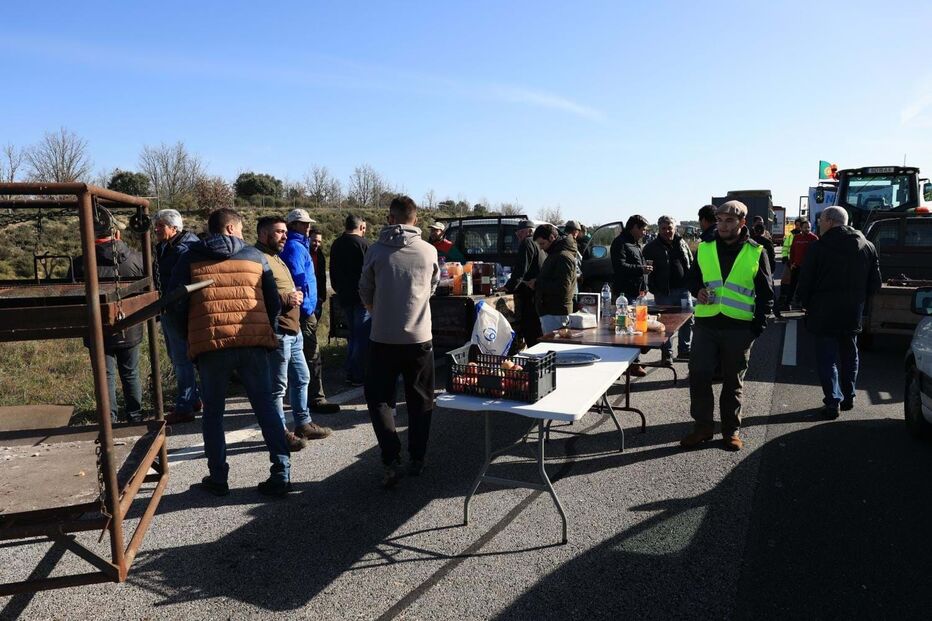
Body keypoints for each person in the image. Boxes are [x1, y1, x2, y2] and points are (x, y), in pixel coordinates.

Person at [167, 208, 292, 497]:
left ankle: (219, 477)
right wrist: (265, 331)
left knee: (213, 414)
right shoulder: (255, 257)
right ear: (232, 229)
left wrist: (190, 335)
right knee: (267, 408)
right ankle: (281, 473)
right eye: (241, 229)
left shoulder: (190, 257)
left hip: (211, 345)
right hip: (253, 343)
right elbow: (273, 301)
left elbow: (175, 303)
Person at [359, 195, 439, 488]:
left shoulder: (376, 251)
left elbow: (364, 288)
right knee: (420, 399)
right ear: (415, 219)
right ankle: (417, 457)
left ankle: (391, 457)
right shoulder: (428, 251)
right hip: (419, 337)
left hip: (382, 336)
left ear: (390, 218)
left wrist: (377, 311)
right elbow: (431, 287)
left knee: (379, 398)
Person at [681, 200, 773, 452]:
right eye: (720, 220)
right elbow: (691, 279)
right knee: (699, 376)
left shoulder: (756, 251)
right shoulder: (705, 248)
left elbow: (766, 295)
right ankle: (702, 427)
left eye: (729, 220)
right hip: (706, 325)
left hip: (738, 329)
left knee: (733, 382)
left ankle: (731, 431)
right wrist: (697, 290)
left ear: (742, 223)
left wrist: (757, 328)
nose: (722, 225)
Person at [795, 206, 882, 419]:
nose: (819, 224)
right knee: (850, 355)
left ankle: (833, 401)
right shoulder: (867, 246)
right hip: (852, 311)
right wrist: (860, 300)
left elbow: (805, 281)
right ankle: (849, 396)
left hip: (823, 313)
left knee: (827, 358)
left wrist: (804, 303)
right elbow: (876, 283)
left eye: (821, 220)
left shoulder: (819, 247)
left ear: (830, 221)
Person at [255, 217, 331, 447]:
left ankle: (303, 424)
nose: (284, 236)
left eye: (285, 232)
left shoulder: (276, 256)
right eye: (279, 232)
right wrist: (288, 298)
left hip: (292, 328)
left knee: (302, 377)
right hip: (277, 330)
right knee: (277, 386)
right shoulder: (257, 258)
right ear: (263, 234)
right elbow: (254, 296)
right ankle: (279, 433)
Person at [72, 215, 144, 423]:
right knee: (131, 373)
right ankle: (135, 415)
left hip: (96, 329)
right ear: (117, 234)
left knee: (105, 376)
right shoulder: (137, 259)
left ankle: (109, 419)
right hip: (129, 325)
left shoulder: (80, 264)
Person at [280, 209, 340, 414]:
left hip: (306, 308)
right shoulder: (295, 247)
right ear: (294, 225)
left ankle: (307, 398)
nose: (307, 227)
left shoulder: (299, 245)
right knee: (311, 355)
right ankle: (315, 398)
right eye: (303, 223)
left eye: (307, 223)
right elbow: (298, 281)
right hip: (304, 311)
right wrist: (307, 308)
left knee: (303, 356)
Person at [153, 209, 202, 424]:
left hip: (179, 309)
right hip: (169, 307)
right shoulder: (166, 246)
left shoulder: (184, 249)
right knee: (177, 356)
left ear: (174, 228)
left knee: (182, 358)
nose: (156, 229)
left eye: (160, 225)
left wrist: (176, 308)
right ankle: (193, 398)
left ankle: (184, 405)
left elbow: (183, 283)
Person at [644, 215, 694, 362]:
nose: (667, 231)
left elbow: (690, 262)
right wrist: (652, 288)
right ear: (658, 230)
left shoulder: (682, 243)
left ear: (675, 228)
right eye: (663, 229)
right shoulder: (651, 248)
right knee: (665, 324)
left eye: (670, 228)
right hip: (663, 292)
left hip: (684, 289)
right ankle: (667, 353)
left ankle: (685, 350)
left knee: (688, 320)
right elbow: (646, 271)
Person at [330, 214, 370, 386]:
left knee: (353, 336)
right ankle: (357, 374)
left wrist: (338, 289)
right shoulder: (364, 244)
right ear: (361, 227)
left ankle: (351, 371)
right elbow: (370, 272)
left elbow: (332, 270)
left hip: (344, 297)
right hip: (362, 298)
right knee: (362, 337)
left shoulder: (336, 244)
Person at [610, 214, 653, 376]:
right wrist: (641, 269)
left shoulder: (635, 243)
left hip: (638, 292)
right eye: (643, 229)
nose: (644, 232)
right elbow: (620, 266)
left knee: (639, 329)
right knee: (626, 330)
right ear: (634, 227)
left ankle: (634, 361)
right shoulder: (620, 243)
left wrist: (644, 284)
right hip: (625, 294)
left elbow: (638, 266)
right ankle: (630, 365)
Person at [501, 220, 544, 348]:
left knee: (531, 329)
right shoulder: (540, 244)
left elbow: (520, 269)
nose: (518, 236)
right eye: (517, 233)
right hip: (539, 293)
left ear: (530, 231)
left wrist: (508, 287)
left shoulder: (528, 242)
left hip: (530, 294)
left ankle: (534, 357)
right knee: (537, 329)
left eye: (521, 232)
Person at [531, 224, 577, 334]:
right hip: (552, 311)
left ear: (552, 238)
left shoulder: (562, 256)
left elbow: (562, 287)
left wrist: (537, 284)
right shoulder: (555, 254)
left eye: (542, 243)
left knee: (555, 347)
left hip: (557, 313)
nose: (541, 247)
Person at [750, 222, 781, 320]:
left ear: (754, 231)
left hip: (751, 270)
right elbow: (772, 258)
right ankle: (776, 313)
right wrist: (771, 271)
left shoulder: (750, 242)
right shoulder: (767, 242)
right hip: (766, 271)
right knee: (770, 292)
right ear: (764, 231)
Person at [787, 218, 818, 308]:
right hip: (796, 266)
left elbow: (816, 254)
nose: (807, 229)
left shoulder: (814, 238)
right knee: (792, 286)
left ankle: (804, 305)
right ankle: (788, 303)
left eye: (809, 227)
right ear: (801, 228)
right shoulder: (796, 237)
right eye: (805, 227)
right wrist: (791, 263)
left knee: (806, 287)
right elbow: (792, 251)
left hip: (808, 268)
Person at [309, 228, 327, 320]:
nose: (317, 244)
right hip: (307, 296)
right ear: (308, 239)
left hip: (317, 296)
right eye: (314, 241)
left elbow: (322, 277)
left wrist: (322, 296)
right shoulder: (304, 253)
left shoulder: (320, 255)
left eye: (319, 241)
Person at [563, 220, 584, 293]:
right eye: (577, 232)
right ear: (575, 231)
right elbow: (575, 261)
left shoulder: (561, 240)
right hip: (571, 279)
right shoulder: (570, 242)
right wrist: (579, 275)